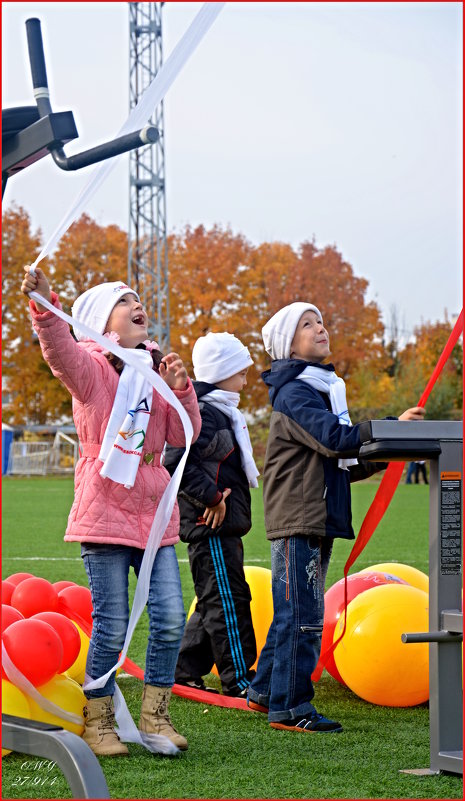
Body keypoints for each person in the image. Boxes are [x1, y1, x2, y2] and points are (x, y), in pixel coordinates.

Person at [21, 266, 202, 756]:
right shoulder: (94, 369)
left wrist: (182, 390)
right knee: (113, 623)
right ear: (104, 324)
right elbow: (60, 351)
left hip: (155, 515)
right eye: (125, 302)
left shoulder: (157, 369)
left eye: (137, 298)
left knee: (167, 619)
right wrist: (45, 305)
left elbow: (184, 437)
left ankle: (155, 718)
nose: (137, 304)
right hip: (104, 511)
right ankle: (98, 720)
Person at [247, 301, 425, 733]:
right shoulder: (296, 392)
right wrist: (387, 429)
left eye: (321, 320)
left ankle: (265, 691)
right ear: (287, 346)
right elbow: (335, 440)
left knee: (295, 609)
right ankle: (290, 708)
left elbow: (348, 463)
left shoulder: (321, 388)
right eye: (307, 324)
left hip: (316, 513)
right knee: (303, 613)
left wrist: (390, 443)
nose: (320, 327)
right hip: (299, 515)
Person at [164, 332, 259, 697]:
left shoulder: (222, 411)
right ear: (222, 372)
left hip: (223, 524)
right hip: (211, 524)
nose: (245, 381)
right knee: (227, 601)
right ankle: (239, 678)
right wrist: (213, 498)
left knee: (215, 597)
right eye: (241, 372)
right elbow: (177, 461)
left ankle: (183, 668)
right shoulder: (204, 412)